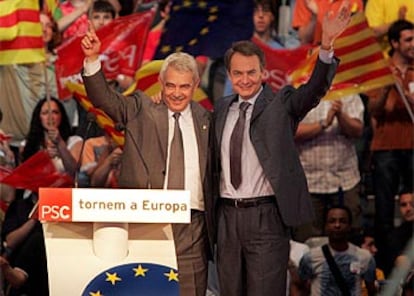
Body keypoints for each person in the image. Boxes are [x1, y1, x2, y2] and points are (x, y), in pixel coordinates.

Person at [213, 1, 352, 294]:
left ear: (263, 72)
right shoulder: (221, 108)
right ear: (229, 75)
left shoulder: (282, 103)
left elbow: (314, 90)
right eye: (238, 74)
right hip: (226, 219)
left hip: (266, 218)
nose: (245, 80)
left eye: (251, 72)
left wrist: (326, 47)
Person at [80, 23, 215, 296]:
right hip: (148, 222)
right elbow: (104, 99)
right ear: (162, 84)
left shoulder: (208, 120)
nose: (177, 93)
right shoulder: (141, 109)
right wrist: (93, 59)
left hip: (193, 227)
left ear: (196, 86)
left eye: (185, 87)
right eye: (171, 86)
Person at [365, 19, 414, 274]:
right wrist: (386, 88)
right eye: (408, 40)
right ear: (394, 43)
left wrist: (407, 97)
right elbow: (372, 110)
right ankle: (384, 267)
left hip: (413, 145)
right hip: (386, 148)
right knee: (384, 210)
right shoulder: (380, 69)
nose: (413, 45)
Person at [293, 94, 364, 242]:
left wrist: (341, 115)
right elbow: (291, 131)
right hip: (309, 181)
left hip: (345, 179)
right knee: (308, 241)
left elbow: (357, 130)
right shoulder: (299, 91)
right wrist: (324, 123)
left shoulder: (349, 93)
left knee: (350, 239)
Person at [298, 205, 377, 295]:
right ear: (325, 226)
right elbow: (299, 287)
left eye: (342, 221)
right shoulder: (311, 257)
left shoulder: (364, 257)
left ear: (349, 226)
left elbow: (372, 290)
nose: (337, 225)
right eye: (332, 221)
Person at [292, 0, 363, 45]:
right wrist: (314, 17)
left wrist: (319, 13)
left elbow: (354, 36)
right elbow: (304, 39)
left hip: (342, 52)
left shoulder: (354, 2)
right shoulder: (306, 1)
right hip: (314, 55)